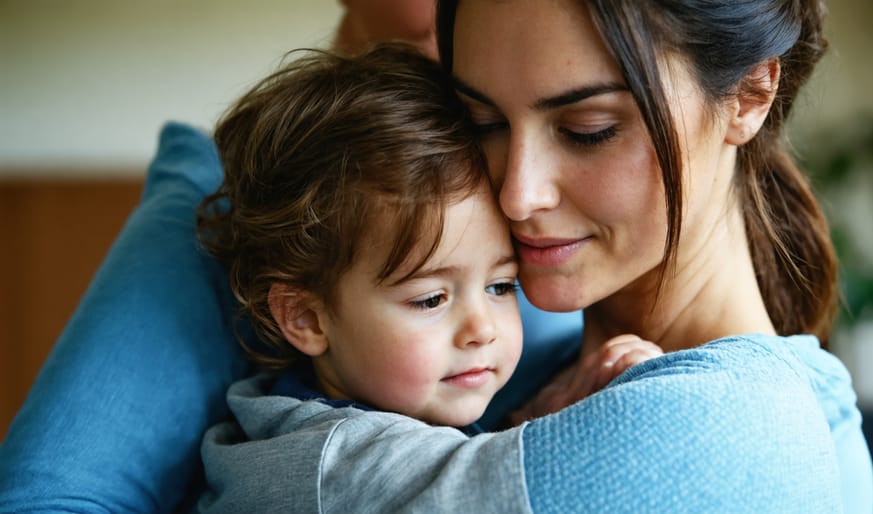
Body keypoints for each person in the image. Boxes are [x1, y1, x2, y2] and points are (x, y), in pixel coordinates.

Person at [0, 1, 873, 513]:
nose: (518, 191)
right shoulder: (464, 284)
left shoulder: (746, 424)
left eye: (588, 128)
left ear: (752, 92)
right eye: (485, 121)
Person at [196, 44, 660, 435]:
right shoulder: (327, 453)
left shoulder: (397, 413)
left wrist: (536, 413)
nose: (482, 329)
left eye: (501, 286)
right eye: (431, 299)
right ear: (306, 318)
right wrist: (566, 421)